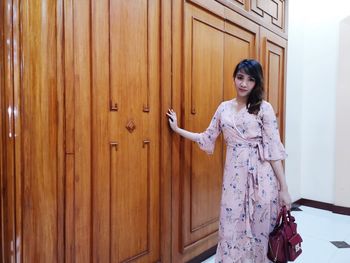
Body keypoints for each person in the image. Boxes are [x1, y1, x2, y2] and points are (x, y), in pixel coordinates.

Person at [166, 59, 292, 263]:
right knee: (231, 226)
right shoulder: (224, 108)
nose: (243, 84)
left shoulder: (264, 108)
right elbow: (207, 137)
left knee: (261, 230)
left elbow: (274, 151)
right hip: (234, 179)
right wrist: (177, 129)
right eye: (240, 77)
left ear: (256, 83)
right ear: (234, 78)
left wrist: (283, 189)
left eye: (250, 80)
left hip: (262, 179)